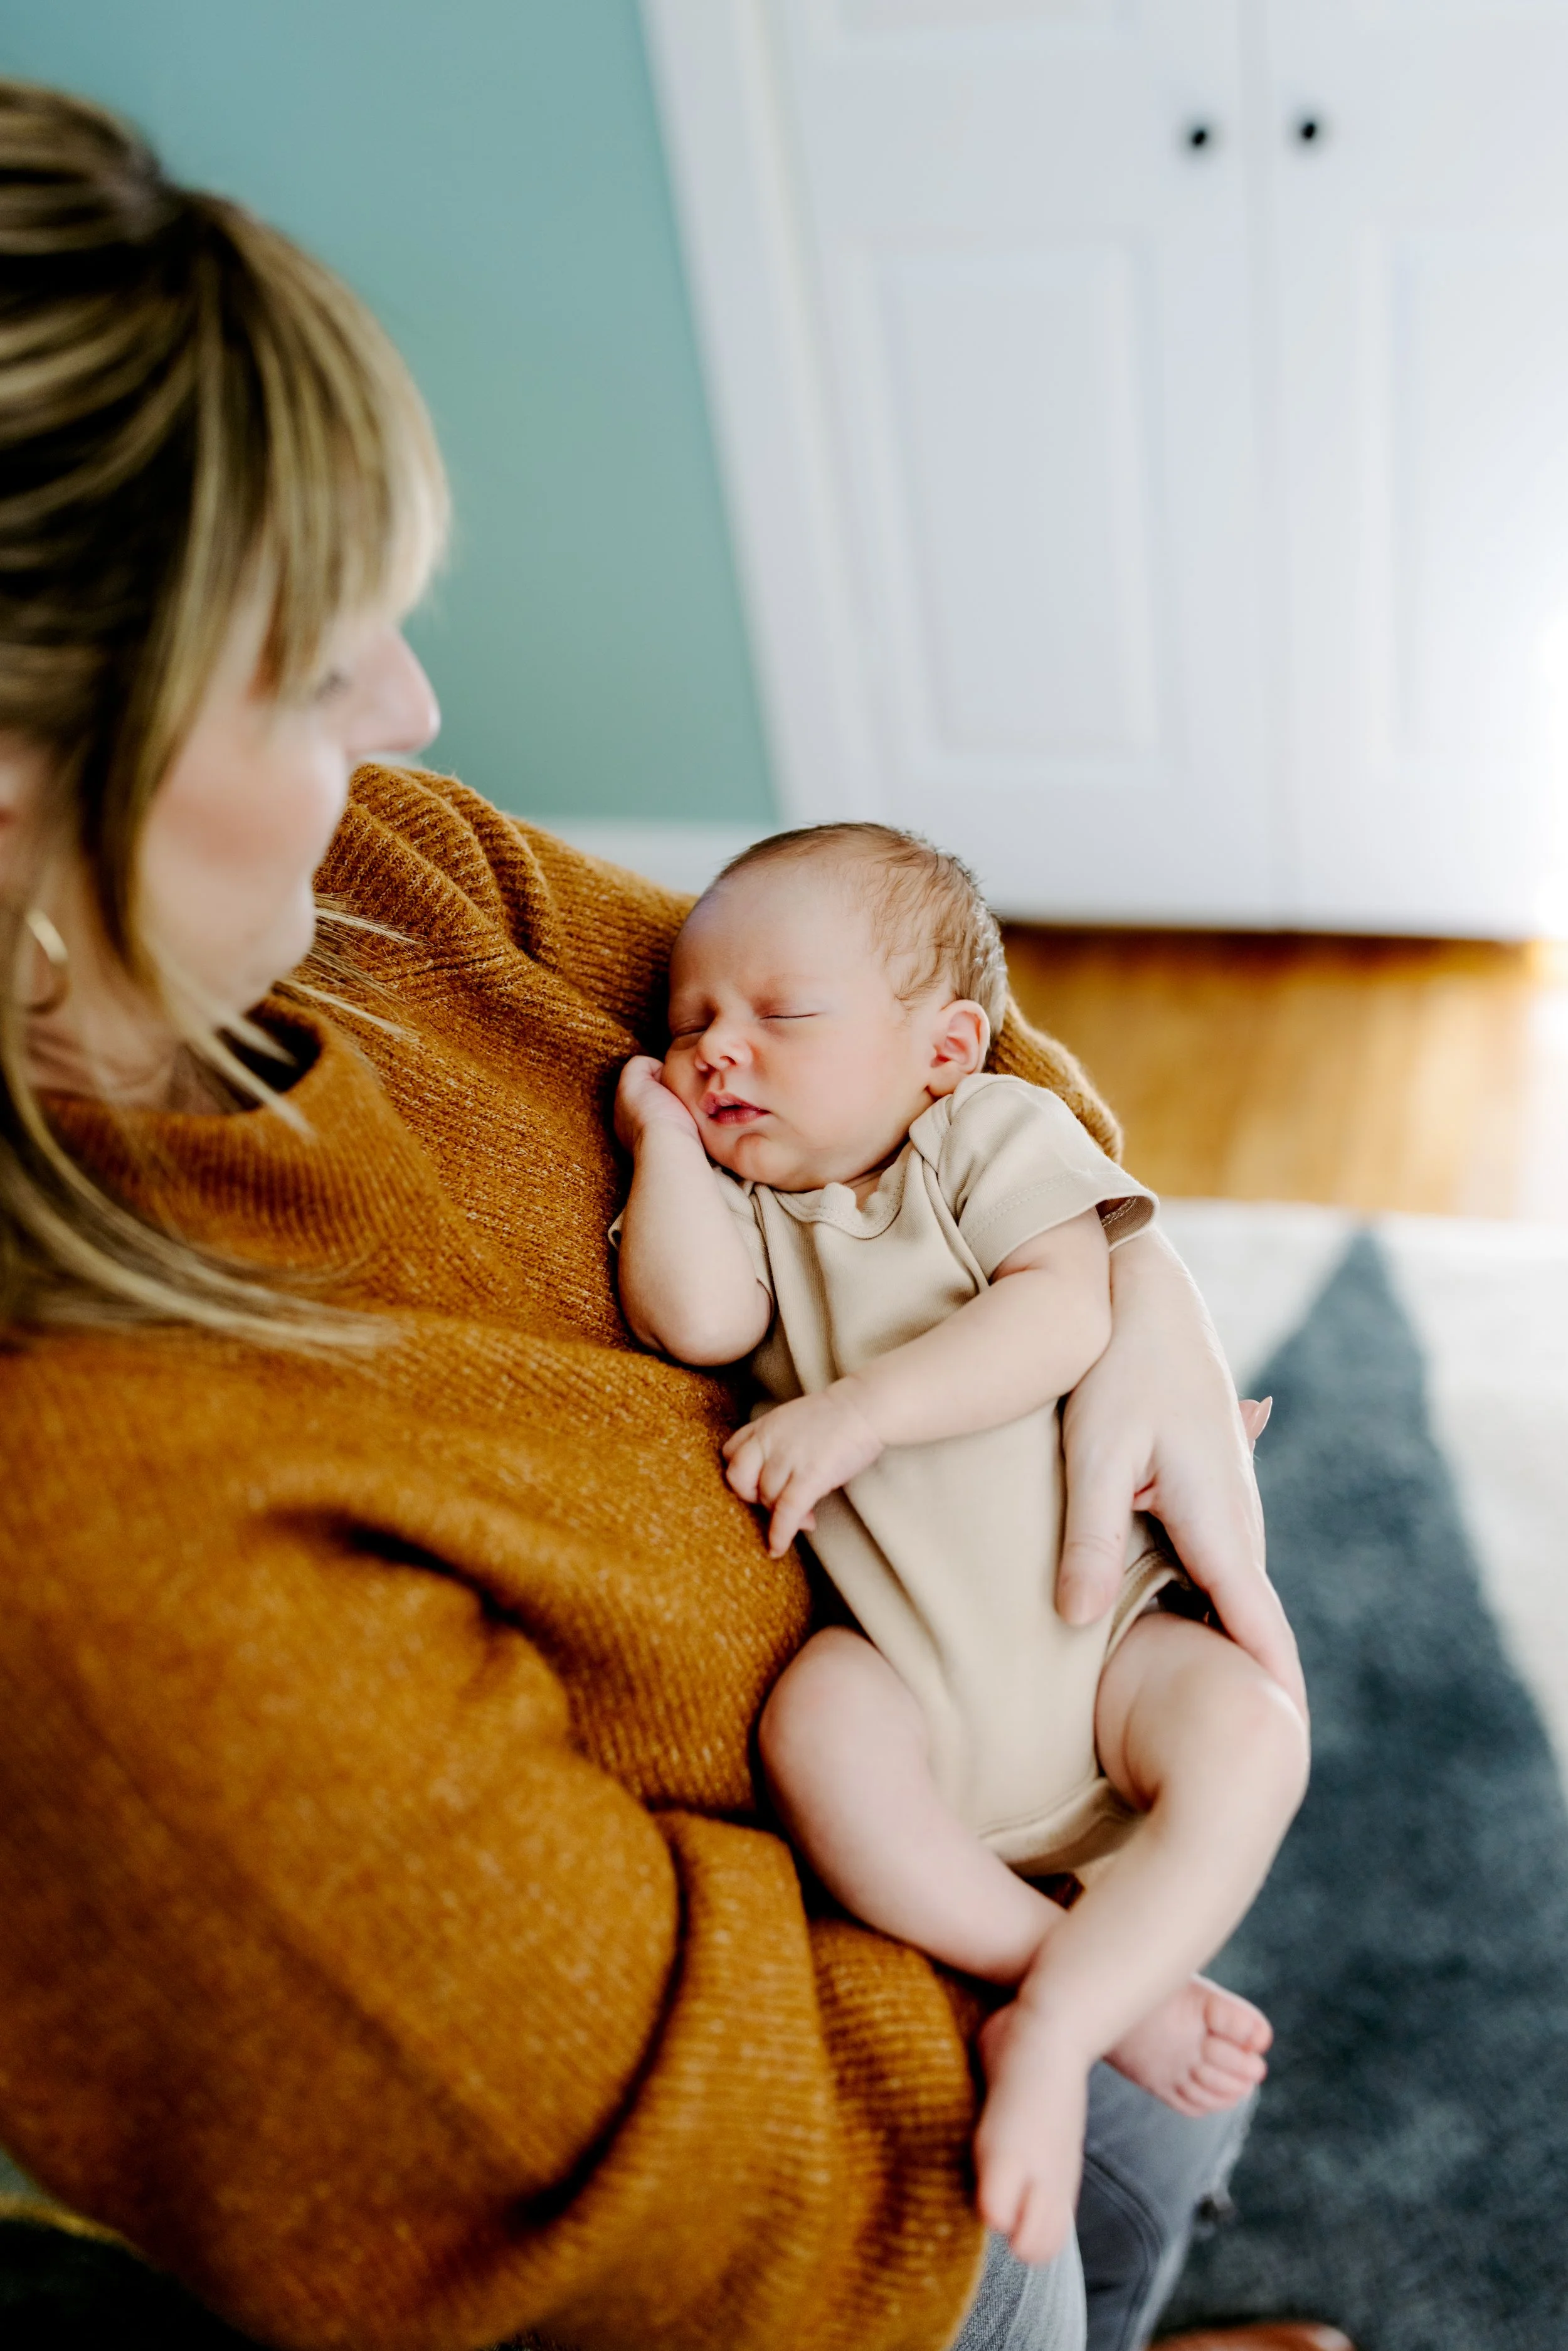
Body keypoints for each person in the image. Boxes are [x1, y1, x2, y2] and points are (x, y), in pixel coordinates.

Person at [0, 77, 1350, 2351]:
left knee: (1160, 2156)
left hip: (1008, 1830)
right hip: (860, 2164)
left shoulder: (382, 880)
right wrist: (1049, 1966)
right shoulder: (96, 1564)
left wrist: (1124, 1275)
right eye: (319, 660)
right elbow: (713, 2191)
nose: (417, 709)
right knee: (1071, 2209)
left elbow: (930, 1020)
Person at [612, 826, 1309, 2269]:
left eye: (778, 1015)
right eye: (690, 1024)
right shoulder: (753, 1208)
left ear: (944, 1047)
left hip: (1108, 1647)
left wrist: (864, 1408)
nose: (714, 1048)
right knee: (815, 1717)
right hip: (917, 1696)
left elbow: (1061, 1314)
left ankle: (1053, 2027)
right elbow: (694, 1322)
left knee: (1251, 1726)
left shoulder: (982, 1136)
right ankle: (1060, 1971)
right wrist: (660, 1143)